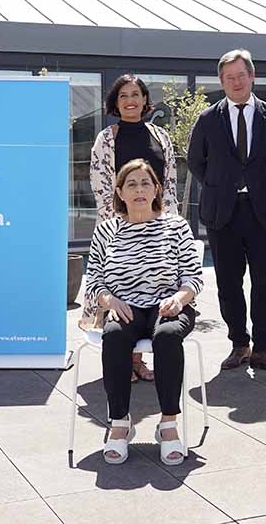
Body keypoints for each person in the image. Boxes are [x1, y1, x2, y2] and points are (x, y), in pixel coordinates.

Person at [85, 159, 203, 466]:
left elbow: (194, 277)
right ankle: (120, 424)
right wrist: (109, 301)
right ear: (120, 192)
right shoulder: (107, 230)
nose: (139, 190)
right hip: (125, 307)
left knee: (166, 337)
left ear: (157, 189)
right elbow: (94, 279)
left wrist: (180, 298)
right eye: (132, 184)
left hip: (169, 305)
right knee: (113, 336)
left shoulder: (176, 226)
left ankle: (168, 424)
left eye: (145, 183)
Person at [188, 49, 266, 371]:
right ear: (221, 81)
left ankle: (263, 348)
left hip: (261, 212)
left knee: (264, 282)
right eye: (228, 77)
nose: (235, 82)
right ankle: (239, 344)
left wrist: (259, 186)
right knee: (229, 283)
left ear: (252, 76)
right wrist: (223, 186)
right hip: (223, 213)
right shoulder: (207, 119)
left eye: (240, 75)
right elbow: (195, 161)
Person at [85, 73, 179, 382]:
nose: (130, 100)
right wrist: (120, 220)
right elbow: (99, 183)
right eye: (124, 95)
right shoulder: (106, 138)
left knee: (149, 288)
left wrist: (168, 219)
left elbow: (169, 182)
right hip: (119, 227)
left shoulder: (160, 136)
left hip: (155, 228)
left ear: (144, 100)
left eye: (136, 94)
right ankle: (121, 359)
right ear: (116, 101)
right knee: (119, 287)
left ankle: (138, 361)